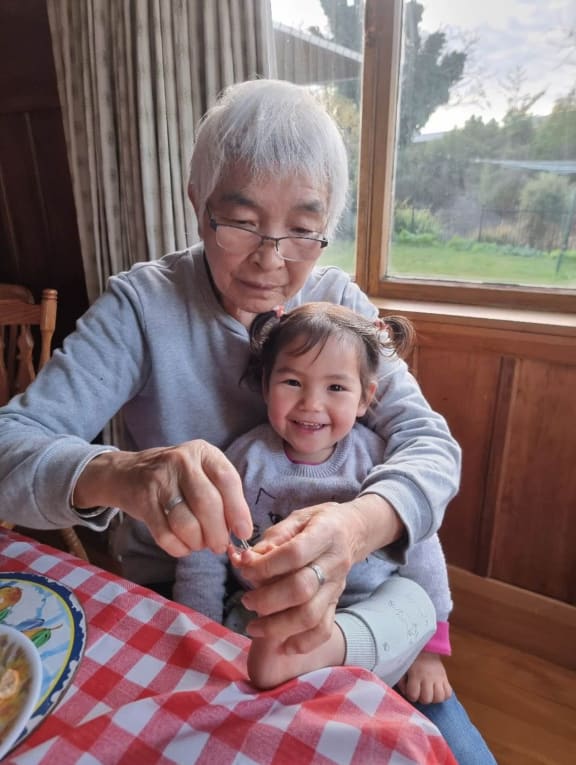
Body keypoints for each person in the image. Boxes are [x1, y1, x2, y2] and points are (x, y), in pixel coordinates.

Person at [0, 78, 493, 761]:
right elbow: (8, 450)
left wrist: (355, 527)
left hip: (352, 594)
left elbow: (430, 444)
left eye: (302, 231)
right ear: (197, 205)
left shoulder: (337, 299)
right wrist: (116, 473)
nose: (272, 258)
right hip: (185, 597)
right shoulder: (143, 306)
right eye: (241, 222)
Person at [175, 302, 454, 706]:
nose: (311, 403)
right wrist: (198, 629)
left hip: (371, 604)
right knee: (246, 650)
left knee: (414, 605)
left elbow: (423, 546)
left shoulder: (376, 460)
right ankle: (301, 671)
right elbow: (207, 549)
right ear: (266, 383)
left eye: (336, 388)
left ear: (365, 398)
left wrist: (429, 652)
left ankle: (329, 654)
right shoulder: (243, 460)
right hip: (271, 610)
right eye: (292, 382)